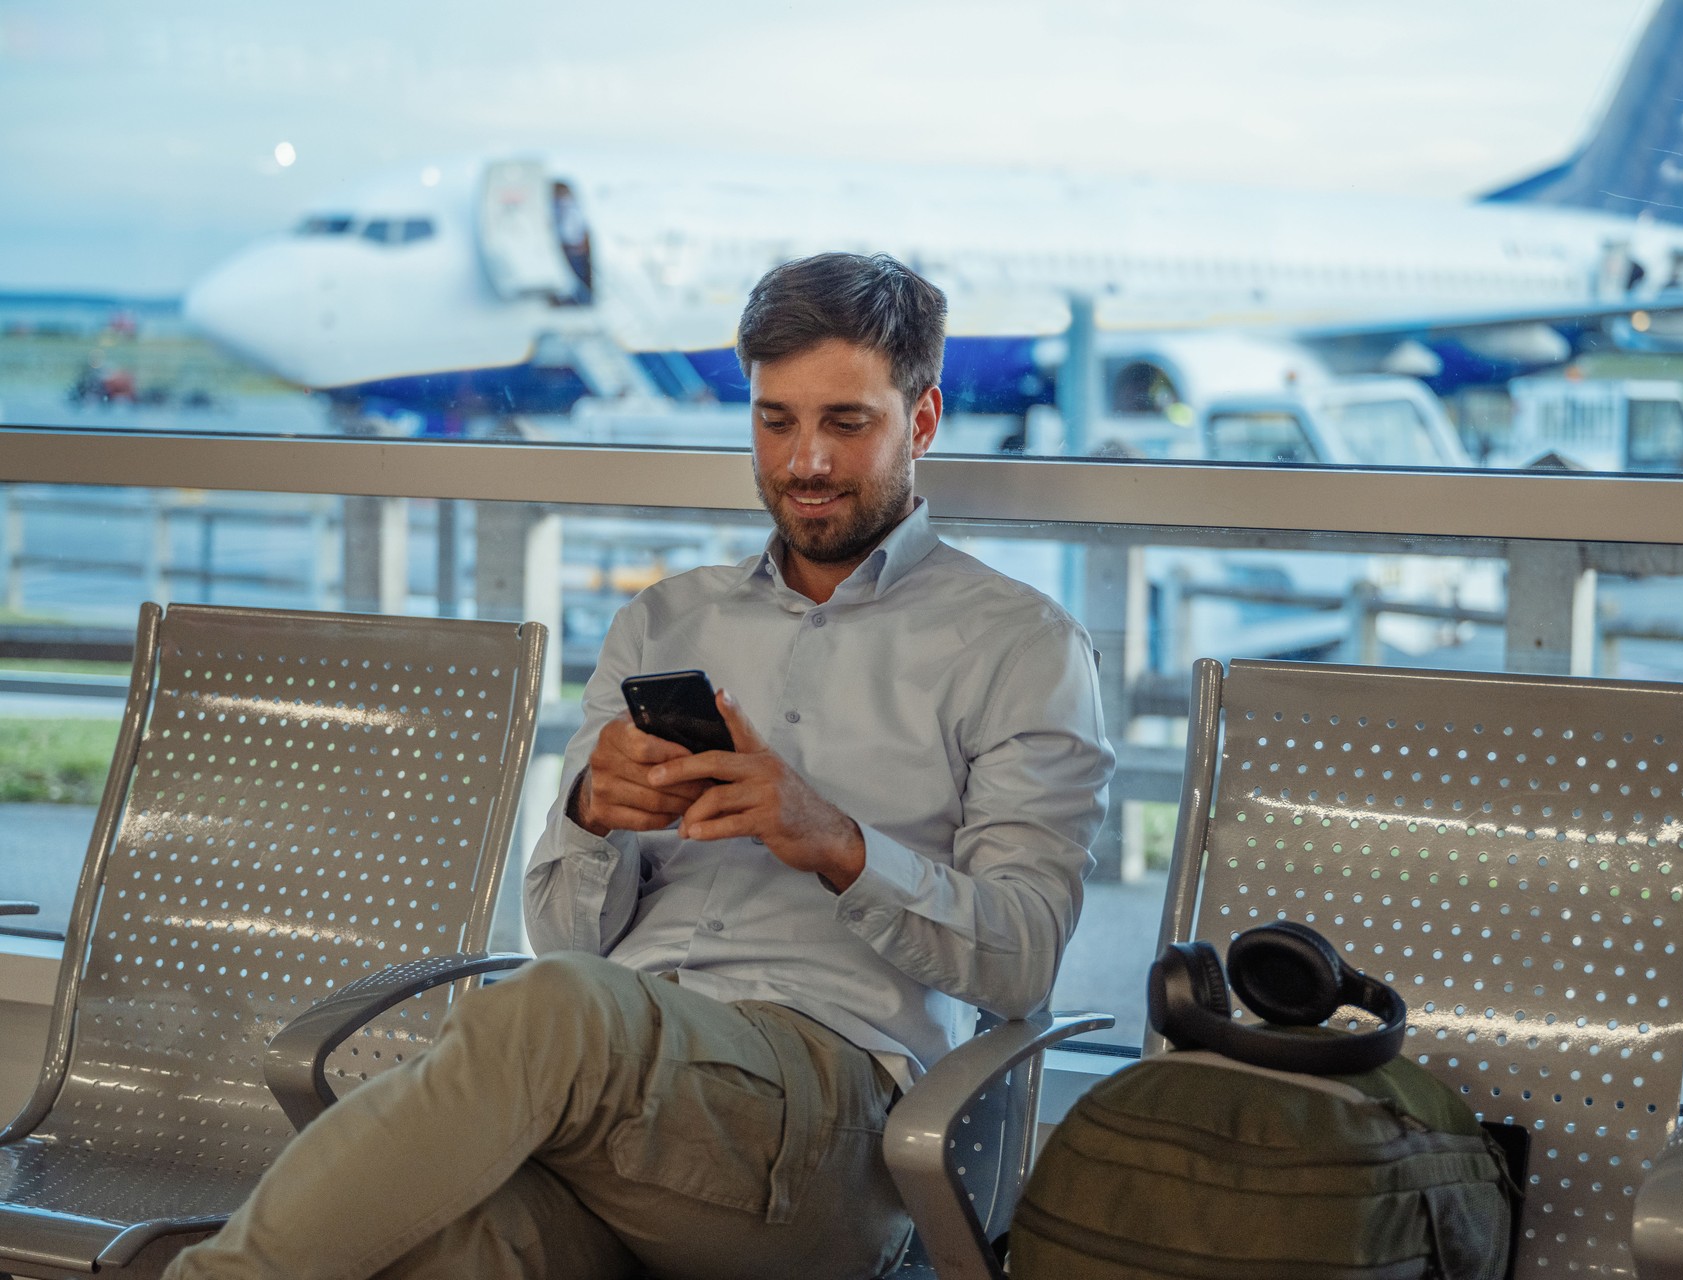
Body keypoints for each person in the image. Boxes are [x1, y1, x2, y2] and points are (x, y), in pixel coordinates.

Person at [163, 252, 1114, 1280]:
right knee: (437, 1245)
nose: (804, 462)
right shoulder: (666, 618)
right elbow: (563, 931)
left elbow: (1023, 960)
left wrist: (837, 842)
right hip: (609, 1109)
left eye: (847, 422)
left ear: (920, 422)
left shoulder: (1023, 645)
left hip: (827, 1126)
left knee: (550, 1007)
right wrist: (588, 818)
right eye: (775, 419)